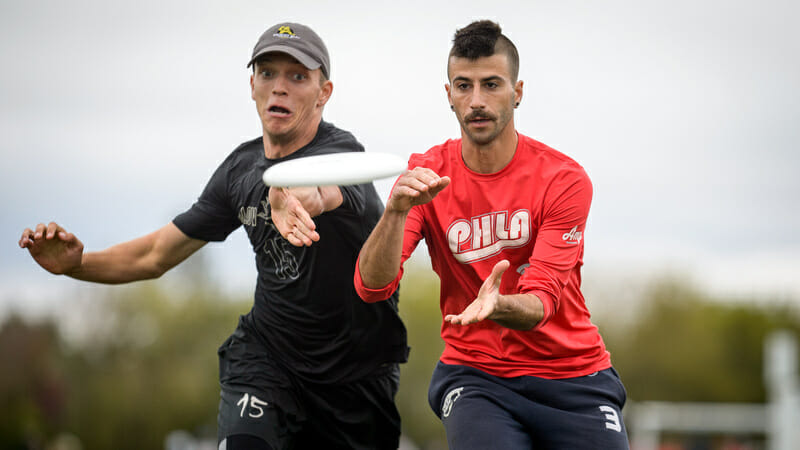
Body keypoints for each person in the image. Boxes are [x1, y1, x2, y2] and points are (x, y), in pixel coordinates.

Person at [19, 22, 408, 450]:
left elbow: (320, 190)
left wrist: (286, 195)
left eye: (297, 76)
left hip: (356, 378)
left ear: (324, 92)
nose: (279, 87)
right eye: (267, 73)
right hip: (268, 361)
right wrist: (76, 265)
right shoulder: (238, 171)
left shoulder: (343, 154)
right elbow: (154, 255)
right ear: (252, 85)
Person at [355, 20, 629, 449]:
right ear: (448, 95)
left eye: (492, 84)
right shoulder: (426, 176)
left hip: (573, 376)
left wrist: (497, 304)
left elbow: (541, 304)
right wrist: (393, 213)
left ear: (517, 91)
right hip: (477, 375)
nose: (477, 101)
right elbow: (372, 287)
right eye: (463, 86)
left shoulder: (564, 179)